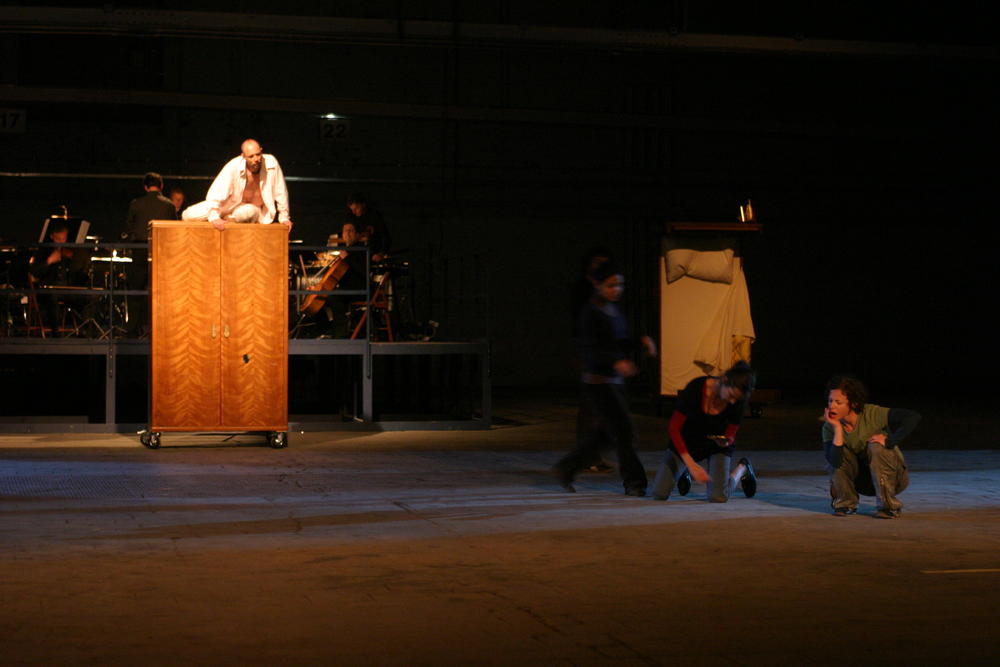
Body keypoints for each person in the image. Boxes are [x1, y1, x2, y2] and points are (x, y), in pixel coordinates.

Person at [555, 261, 656, 497]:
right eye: (611, 285)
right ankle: (635, 482)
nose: (616, 289)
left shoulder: (613, 310)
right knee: (625, 433)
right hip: (599, 382)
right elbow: (590, 348)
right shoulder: (590, 312)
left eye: (619, 285)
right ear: (598, 285)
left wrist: (639, 342)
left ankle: (568, 467)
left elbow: (617, 343)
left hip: (613, 381)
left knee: (606, 435)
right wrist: (614, 362)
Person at [650, 361, 758, 503]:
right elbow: (673, 428)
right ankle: (685, 470)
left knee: (718, 497)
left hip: (715, 446)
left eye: (736, 399)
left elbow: (732, 431)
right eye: (731, 395)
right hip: (686, 441)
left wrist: (727, 440)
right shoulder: (695, 388)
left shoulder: (738, 402)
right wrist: (691, 465)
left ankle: (743, 468)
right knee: (659, 493)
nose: (732, 402)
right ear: (725, 380)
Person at [822, 375, 920, 518]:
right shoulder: (829, 427)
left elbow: (912, 417)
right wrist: (837, 429)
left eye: (838, 402)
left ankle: (889, 507)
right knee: (835, 452)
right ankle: (845, 504)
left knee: (875, 446)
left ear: (853, 403)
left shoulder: (872, 413)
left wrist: (890, 441)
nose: (832, 406)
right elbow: (835, 462)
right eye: (830, 401)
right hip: (863, 482)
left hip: (892, 480)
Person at [182, 138, 293, 232]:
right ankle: (227, 217)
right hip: (229, 205)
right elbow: (217, 191)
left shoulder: (271, 163)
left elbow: (281, 191)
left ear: (261, 151)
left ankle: (230, 218)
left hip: (253, 209)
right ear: (243, 156)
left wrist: (284, 217)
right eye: (251, 156)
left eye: (258, 154)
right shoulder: (234, 165)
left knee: (247, 212)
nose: (256, 159)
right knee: (188, 215)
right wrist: (214, 216)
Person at [123, 172, 177, 240]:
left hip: (140, 245)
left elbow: (128, 228)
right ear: (161, 186)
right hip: (163, 244)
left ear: (145, 187)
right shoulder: (170, 205)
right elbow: (175, 229)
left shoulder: (135, 204)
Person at [344, 193, 390, 261]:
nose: (354, 212)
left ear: (363, 205)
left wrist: (381, 253)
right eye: (352, 209)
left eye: (357, 208)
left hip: (372, 255)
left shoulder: (374, 216)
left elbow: (385, 236)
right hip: (355, 255)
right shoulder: (350, 216)